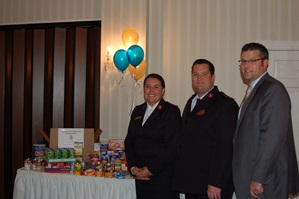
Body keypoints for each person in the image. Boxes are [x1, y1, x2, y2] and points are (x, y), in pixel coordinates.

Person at [233, 42, 299, 199]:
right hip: (251, 178)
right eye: (243, 61)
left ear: (266, 62)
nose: (246, 66)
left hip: (265, 183)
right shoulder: (254, 90)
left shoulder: (273, 90)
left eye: (252, 61)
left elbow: (271, 139)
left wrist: (258, 178)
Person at [173, 59, 239, 199]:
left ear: (213, 77)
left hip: (212, 186)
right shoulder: (191, 102)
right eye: (195, 74)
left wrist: (216, 182)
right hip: (193, 183)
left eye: (204, 74)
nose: (199, 78)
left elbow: (226, 148)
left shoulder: (225, 105)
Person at [125, 73, 182, 199]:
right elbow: (129, 142)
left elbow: (172, 147)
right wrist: (133, 167)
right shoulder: (137, 111)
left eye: (156, 87)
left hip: (163, 179)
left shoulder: (171, 111)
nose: (151, 91)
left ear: (163, 91)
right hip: (141, 178)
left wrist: (151, 169)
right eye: (147, 87)